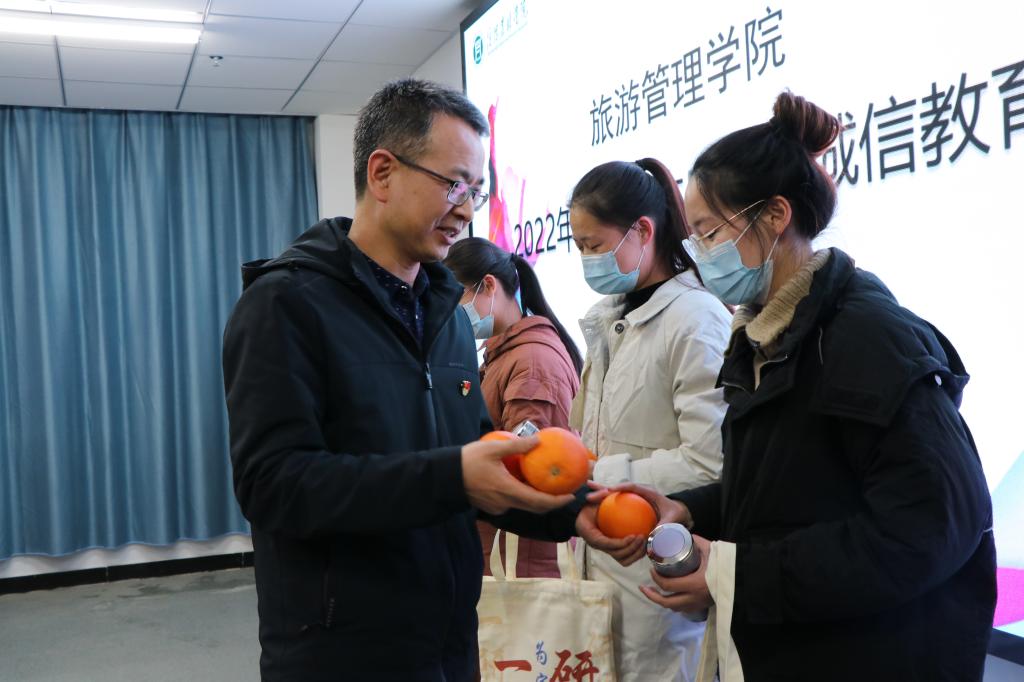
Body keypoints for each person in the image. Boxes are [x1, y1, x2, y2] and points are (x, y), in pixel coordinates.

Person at [604, 92, 996, 681]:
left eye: (708, 232)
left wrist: (736, 576)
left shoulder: (867, 339)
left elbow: (930, 528)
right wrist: (695, 509)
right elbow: (792, 489)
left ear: (775, 216)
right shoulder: (761, 337)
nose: (699, 254)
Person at [221, 78, 580, 682]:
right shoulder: (285, 305)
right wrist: (451, 476)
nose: (468, 209)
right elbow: (273, 485)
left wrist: (574, 512)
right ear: (382, 173)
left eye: (478, 190)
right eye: (454, 184)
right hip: (340, 656)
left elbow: (485, 459)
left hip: (449, 643)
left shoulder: (447, 315)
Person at [566, 158, 733, 682]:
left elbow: (709, 462)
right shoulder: (610, 318)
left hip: (660, 580)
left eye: (594, 245)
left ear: (642, 231)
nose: (587, 260)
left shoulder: (695, 318)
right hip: (603, 569)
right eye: (579, 247)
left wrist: (599, 477)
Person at [444, 238, 583, 578]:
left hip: (523, 564)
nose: (447, 314)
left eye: (453, 300)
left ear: (488, 286)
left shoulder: (532, 361)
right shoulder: (503, 355)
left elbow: (532, 466)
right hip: (504, 556)